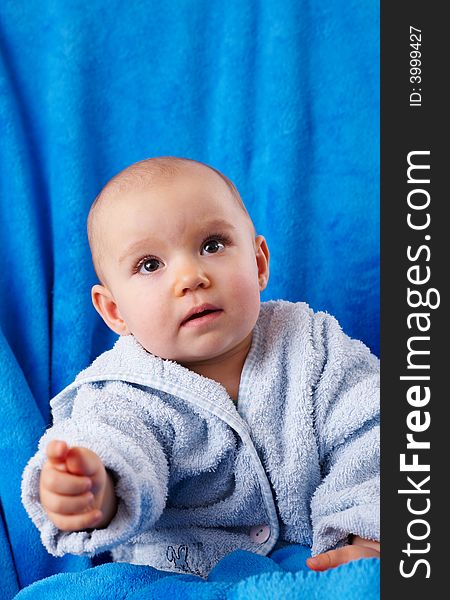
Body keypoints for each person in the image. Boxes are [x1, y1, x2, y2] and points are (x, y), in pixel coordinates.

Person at [22, 157, 380, 578]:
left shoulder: (313, 345)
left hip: (313, 562)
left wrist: (367, 534)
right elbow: (109, 439)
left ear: (259, 263)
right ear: (115, 310)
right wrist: (92, 485)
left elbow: (371, 433)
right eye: (150, 265)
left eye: (212, 244)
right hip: (177, 577)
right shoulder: (123, 389)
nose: (191, 276)